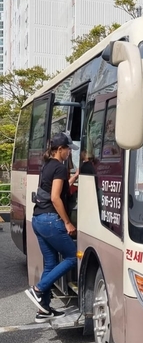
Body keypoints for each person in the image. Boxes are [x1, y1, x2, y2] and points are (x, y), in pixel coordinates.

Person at [24, 132, 79, 322]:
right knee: (73, 256)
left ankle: (43, 309)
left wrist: (76, 176)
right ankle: (38, 289)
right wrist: (67, 222)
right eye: (68, 150)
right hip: (50, 220)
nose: (69, 153)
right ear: (60, 149)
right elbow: (56, 198)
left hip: (38, 219)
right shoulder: (59, 167)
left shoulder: (47, 166)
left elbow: (58, 189)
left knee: (51, 262)